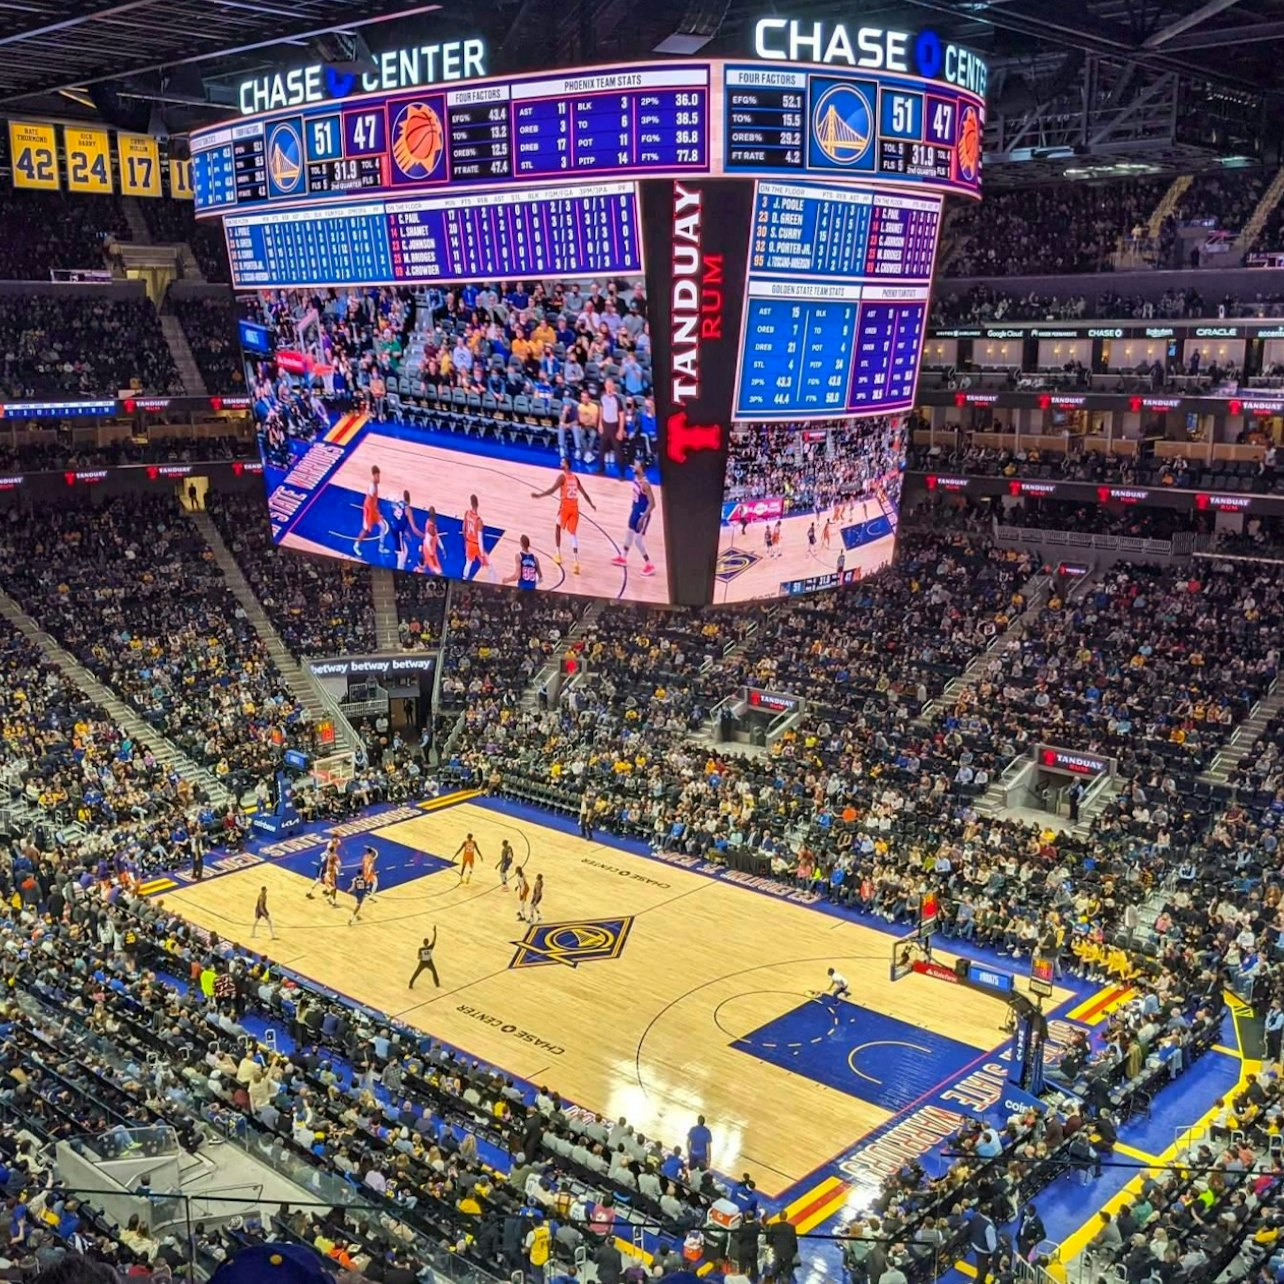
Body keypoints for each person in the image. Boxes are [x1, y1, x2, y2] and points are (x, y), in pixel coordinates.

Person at [531, 460, 596, 575]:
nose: (560, 463)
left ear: (566, 465)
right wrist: (591, 504)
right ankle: (576, 563)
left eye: (562, 462)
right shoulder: (575, 478)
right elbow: (584, 494)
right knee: (573, 534)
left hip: (565, 508)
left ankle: (558, 555)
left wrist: (539, 495)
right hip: (575, 508)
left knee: (557, 527)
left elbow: (552, 490)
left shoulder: (562, 477)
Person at [610, 461, 656, 576]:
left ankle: (649, 564)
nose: (634, 467)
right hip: (635, 510)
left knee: (638, 541)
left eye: (636, 465)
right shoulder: (636, 477)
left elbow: (652, 504)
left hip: (642, 514)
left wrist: (642, 518)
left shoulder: (645, 484)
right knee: (629, 533)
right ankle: (623, 558)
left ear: (641, 468)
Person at [354, 464, 388, 556]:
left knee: (383, 526)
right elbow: (369, 504)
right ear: (374, 476)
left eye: (379, 476)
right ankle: (356, 545)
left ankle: (381, 548)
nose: (379, 478)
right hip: (369, 511)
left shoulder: (376, 485)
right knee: (366, 530)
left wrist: (378, 513)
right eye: (377, 476)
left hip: (373, 510)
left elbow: (375, 502)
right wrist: (375, 514)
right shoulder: (372, 486)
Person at [389, 489, 423, 571]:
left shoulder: (400, 504)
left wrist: (405, 531)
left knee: (405, 551)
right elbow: (414, 529)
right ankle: (400, 569)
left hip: (394, 528)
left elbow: (398, 518)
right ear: (410, 499)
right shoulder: (408, 510)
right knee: (402, 554)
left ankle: (400, 567)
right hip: (398, 532)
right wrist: (424, 537)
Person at [461, 493, 491, 581]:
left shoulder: (467, 513)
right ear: (478, 504)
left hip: (469, 543)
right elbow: (480, 539)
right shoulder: (479, 520)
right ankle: (492, 580)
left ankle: (464, 578)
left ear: (471, 503)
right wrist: (481, 553)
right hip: (477, 545)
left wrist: (465, 542)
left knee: (468, 564)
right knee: (488, 564)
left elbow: (463, 529)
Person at [418, 505, 444, 576]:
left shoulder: (431, 523)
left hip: (431, 549)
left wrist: (442, 547)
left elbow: (436, 536)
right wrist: (431, 554)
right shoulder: (431, 528)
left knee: (436, 568)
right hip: (429, 551)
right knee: (437, 570)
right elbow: (427, 542)